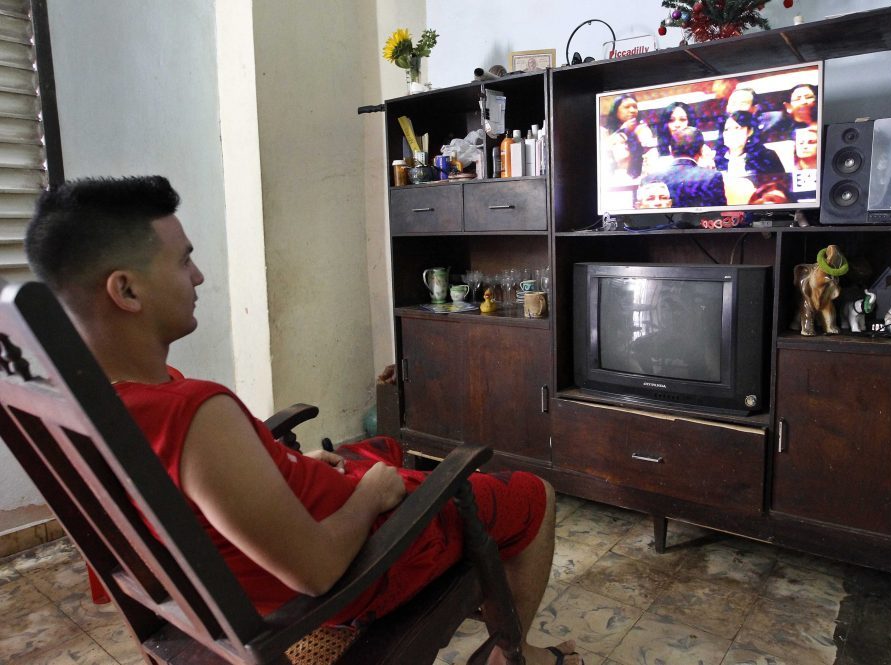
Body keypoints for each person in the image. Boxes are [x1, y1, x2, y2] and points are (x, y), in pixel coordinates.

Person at [24, 176, 582, 665]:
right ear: (125, 289)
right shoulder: (194, 412)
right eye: (182, 259)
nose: (197, 277)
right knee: (531, 492)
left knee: (380, 444)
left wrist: (281, 466)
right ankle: (514, 656)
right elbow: (313, 574)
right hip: (327, 584)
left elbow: (189, 495)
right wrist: (369, 497)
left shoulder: (83, 405)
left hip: (244, 565)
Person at [645, 126, 726, 208]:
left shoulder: (649, 179)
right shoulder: (712, 177)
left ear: (670, 151)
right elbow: (720, 214)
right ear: (701, 151)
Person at [603, 94, 657, 180]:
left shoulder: (643, 129)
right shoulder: (605, 132)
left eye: (635, 107)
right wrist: (624, 131)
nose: (632, 110)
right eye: (627, 107)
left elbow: (650, 155)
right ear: (616, 111)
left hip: (641, 177)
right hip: (615, 178)